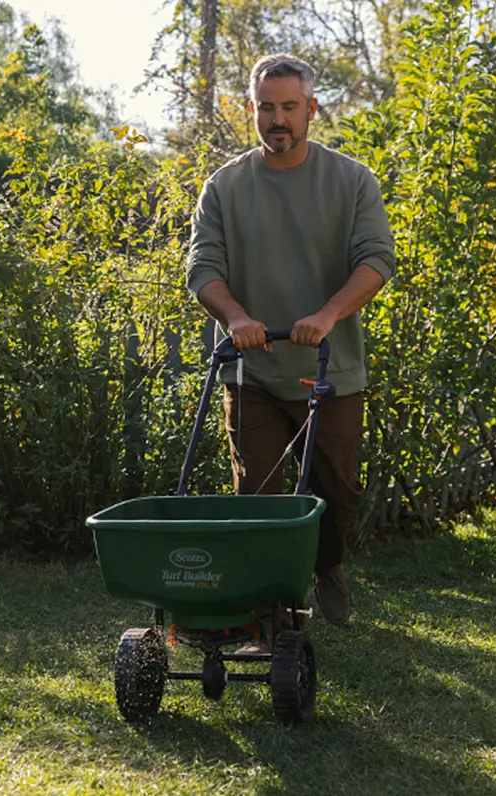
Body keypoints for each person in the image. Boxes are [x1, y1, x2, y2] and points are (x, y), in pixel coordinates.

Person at [184, 52, 394, 628]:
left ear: (312, 110)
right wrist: (235, 317)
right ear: (251, 109)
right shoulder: (224, 187)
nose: (279, 119)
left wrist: (328, 314)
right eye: (267, 107)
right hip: (253, 371)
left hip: (331, 368)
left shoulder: (351, 180)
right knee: (258, 495)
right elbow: (203, 267)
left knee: (338, 492)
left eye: (290, 107)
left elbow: (376, 259)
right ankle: (271, 608)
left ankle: (329, 566)